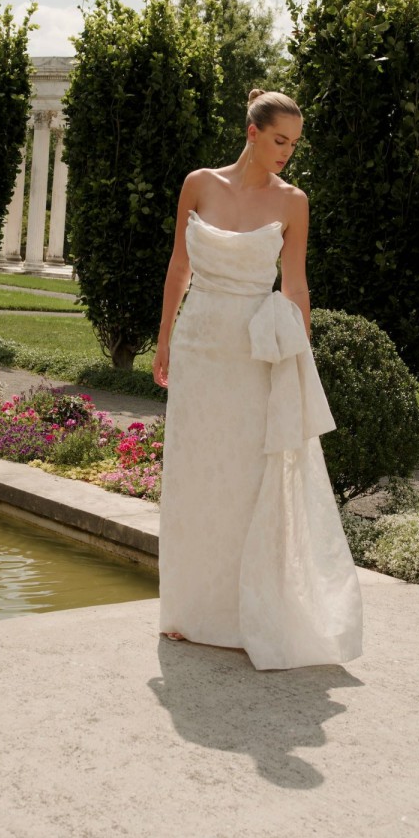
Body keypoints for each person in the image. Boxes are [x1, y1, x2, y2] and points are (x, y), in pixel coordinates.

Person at [153, 89, 363, 671]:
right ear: (251, 131)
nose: (286, 154)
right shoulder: (198, 184)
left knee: (246, 479)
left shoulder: (294, 202)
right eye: (279, 141)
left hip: (254, 356)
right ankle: (190, 612)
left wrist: (300, 351)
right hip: (198, 347)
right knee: (196, 475)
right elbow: (179, 264)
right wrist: (165, 335)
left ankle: (248, 615)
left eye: (293, 145)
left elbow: (294, 286)